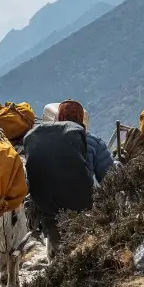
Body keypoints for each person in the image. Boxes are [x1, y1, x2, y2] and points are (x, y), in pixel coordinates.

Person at [22, 99, 113, 260]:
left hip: (49, 212)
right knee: (83, 253)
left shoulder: (41, 142)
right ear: (82, 119)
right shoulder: (92, 142)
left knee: (59, 256)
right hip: (83, 209)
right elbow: (109, 177)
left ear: (58, 118)